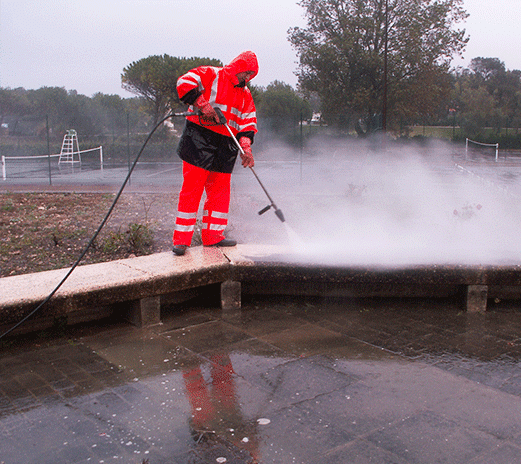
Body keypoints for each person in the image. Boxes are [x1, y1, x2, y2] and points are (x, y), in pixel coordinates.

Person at [172, 51, 258, 256]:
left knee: (220, 193)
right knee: (192, 190)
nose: (246, 79)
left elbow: (248, 123)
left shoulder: (245, 95)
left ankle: (213, 237)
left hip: (226, 145)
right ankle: (181, 240)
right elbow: (184, 82)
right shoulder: (212, 74)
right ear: (238, 67)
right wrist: (202, 104)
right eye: (245, 73)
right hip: (199, 139)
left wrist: (246, 148)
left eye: (250, 75)